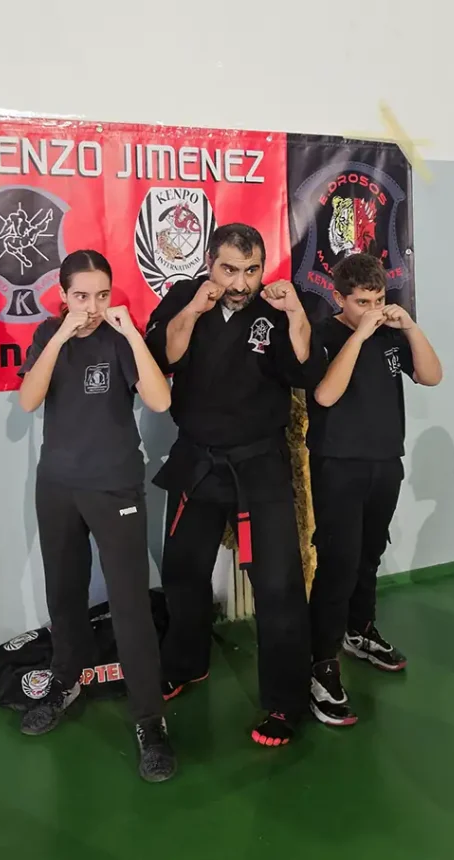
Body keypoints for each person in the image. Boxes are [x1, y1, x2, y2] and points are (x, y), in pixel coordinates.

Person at [144, 223, 321, 747]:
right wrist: (194, 309)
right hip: (197, 458)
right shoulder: (185, 296)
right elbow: (162, 358)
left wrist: (296, 314)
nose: (241, 283)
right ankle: (186, 662)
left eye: (251, 270)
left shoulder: (277, 305)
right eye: (229, 270)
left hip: (259, 463)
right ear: (208, 264)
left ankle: (285, 701)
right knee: (183, 569)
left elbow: (304, 372)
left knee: (277, 584)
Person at [16, 250, 178, 782]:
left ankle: (150, 720)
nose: (92, 305)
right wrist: (61, 335)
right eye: (81, 296)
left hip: (115, 485)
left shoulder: (120, 336)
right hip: (58, 485)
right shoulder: (49, 334)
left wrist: (132, 334)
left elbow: (159, 402)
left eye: (101, 294)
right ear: (63, 296)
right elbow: (28, 401)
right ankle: (65, 683)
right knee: (64, 592)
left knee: (130, 603)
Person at [305, 254, 441, 725]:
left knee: (369, 553)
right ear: (338, 298)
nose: (373, 309)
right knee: (338, 563)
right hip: (337, 464)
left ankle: (359, 630)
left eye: (379, 300)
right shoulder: (323, 335)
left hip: (385, 461)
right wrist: (360, 335)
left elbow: (431, 376)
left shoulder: (390, 334)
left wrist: (410, 328)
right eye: (362, 302)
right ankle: (321, 664)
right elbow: (325, 395)